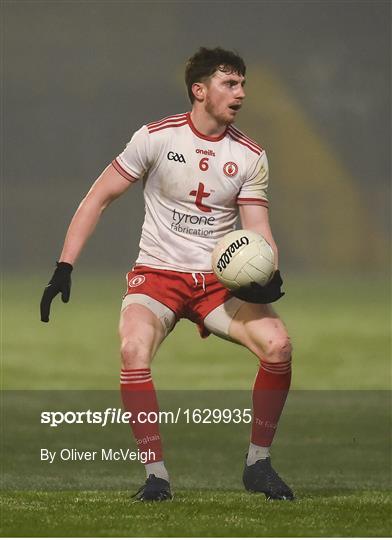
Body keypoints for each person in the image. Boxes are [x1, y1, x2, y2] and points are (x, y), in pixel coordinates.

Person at [40, 47, 294, 502]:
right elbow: (97, 198)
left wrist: (269, 271)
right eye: (229, 84)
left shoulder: (251, 156)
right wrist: (64, 265)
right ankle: (156, 477)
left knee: (278, 347)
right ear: (200, 90)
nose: (240, 93)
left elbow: (259, 231)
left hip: (217, 283)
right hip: (157, 277)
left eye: (242, 84)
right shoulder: (156, 138)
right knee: (133, 349)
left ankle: (258, 463)